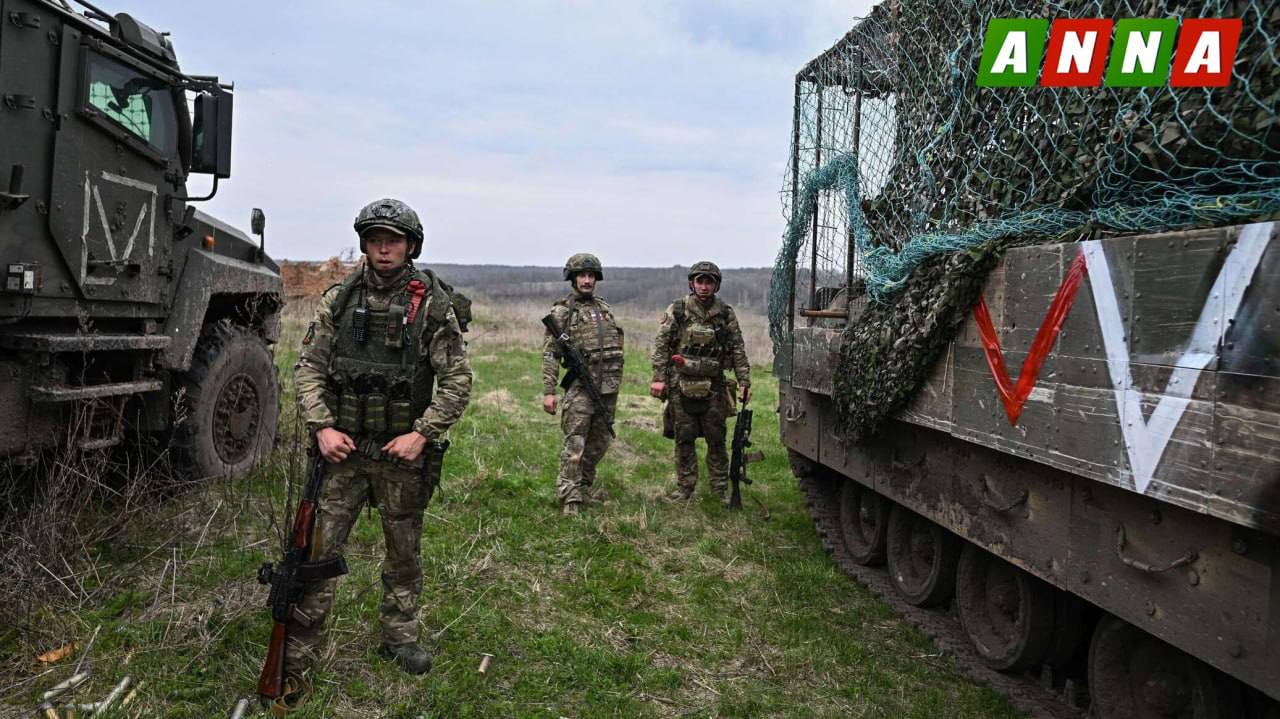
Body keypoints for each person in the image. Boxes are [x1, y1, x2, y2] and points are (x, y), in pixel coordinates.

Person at [288, 198, 473, 688]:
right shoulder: (339, 301)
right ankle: (299, 647)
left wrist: (422, 434)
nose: (383, 249)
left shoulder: (431, 305)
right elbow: (309, 368)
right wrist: (322, 427)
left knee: (403, 552)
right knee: (316, 553)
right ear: (365, 245)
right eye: (374, 240)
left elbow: (457, 380)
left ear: (410, 246)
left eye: (393, 241)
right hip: (342, 452)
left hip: (401, 455)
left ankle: (399, 636)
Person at [650, 261, 750, 503]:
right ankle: (685, 488)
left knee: (717, 439)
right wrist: (659, 379)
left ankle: (719, 490)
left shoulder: (725, 313)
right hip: (681, 385)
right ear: (692, 283)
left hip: (714, 386)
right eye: (700, 281)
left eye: (709, 282)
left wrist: (744, 381)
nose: (704, 286)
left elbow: (737, 348)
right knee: (684, 438)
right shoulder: (678, 309)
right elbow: (661, 345)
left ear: (716, 285)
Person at [541, 253, 624, 517]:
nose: (587, 281)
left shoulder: (604, 308)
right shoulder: (563, 311)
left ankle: (584, 486)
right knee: (575, 443)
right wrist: (549, 392)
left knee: (599, 442)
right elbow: (551, 354)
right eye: (582, 276)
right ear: (573, 278)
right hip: (580, 387)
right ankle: (570, 497)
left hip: (607, 387)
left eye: (591, 276)